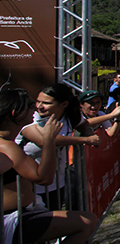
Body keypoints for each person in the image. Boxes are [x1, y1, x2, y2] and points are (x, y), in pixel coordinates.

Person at [0, 88, 98, 244]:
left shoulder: (8, 143)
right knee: (86, 222)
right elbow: (44, 177)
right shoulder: (6, 146)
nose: (36, 108)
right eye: (31, 105)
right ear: (15, 113)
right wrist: (49, 141)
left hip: (27, 210)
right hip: (11, 220)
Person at [17, 83, 100, 211]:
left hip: (55, 183)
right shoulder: (30, 117)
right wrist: (85, 139)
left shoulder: (69, 117)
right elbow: (45, 140)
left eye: (46, 103)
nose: (39, 106)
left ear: (64, 104)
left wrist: (90, 133)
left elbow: (84, 124)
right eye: (37, 101)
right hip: (29, 184)